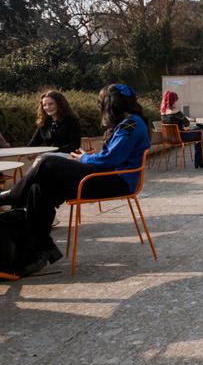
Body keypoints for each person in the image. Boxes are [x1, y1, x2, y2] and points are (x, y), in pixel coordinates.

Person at [0, 84, 151, 276]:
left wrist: (84, 158)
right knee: (40, 187)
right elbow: (110, 157)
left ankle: (12, 197)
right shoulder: (129, 122)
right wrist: (86, 158)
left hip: (116, 182)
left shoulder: (131, 125)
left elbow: (109, 160)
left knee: (46, 162)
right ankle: (39, 251)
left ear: (112, 104)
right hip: (106, 176)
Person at [160, 90, 203, 167]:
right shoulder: (177, 112)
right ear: (173, 101)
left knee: (196, 129)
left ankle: (200, 160)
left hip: (168, 138)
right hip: (181, 137)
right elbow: (187, 123)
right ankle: (200, 161)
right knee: (199, 133)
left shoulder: (162, 114)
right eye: (175, 100)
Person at [29, 90, 82, 155]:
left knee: (43, 158)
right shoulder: (44, 122)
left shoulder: (72, 121)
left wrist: (50, 152)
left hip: (69, 156)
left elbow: (74, 145)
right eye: (44, 105)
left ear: (60, 104)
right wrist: (24, 152)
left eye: (51, 104)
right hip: (49, 156)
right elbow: (34, 142)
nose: (47, 107)